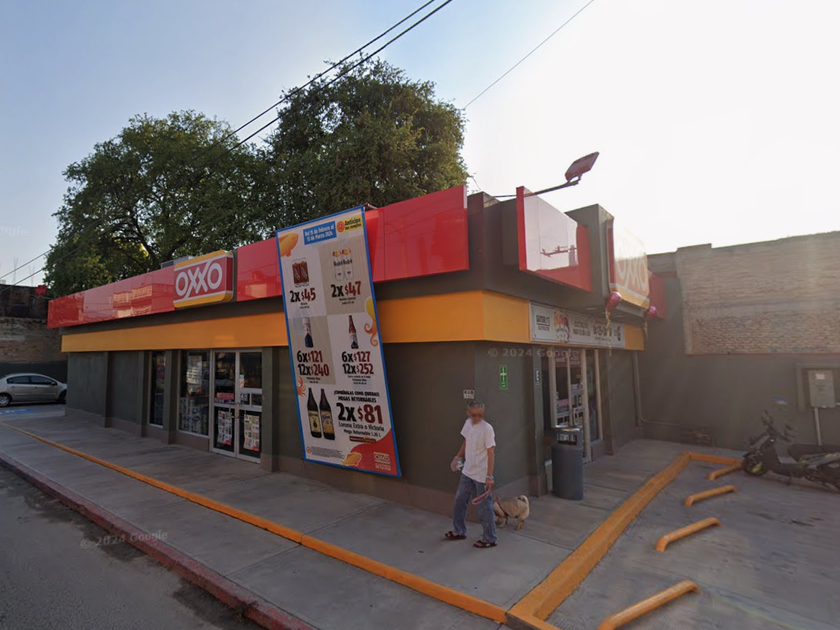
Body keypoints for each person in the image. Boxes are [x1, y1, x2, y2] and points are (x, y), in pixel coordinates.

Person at [444, 401, 498, 548]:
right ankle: (459, 531)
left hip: (482, 474)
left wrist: (489, 476)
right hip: (467, 471)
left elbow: (491, 453)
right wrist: (457, 457)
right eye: (474, 415)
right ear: (468, 413)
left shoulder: (487, 429)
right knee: (459, 499)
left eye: (480, 415)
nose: (477, 417)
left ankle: (490, 538)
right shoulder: (468, 424)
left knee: (485, 507)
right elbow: (466, 442)